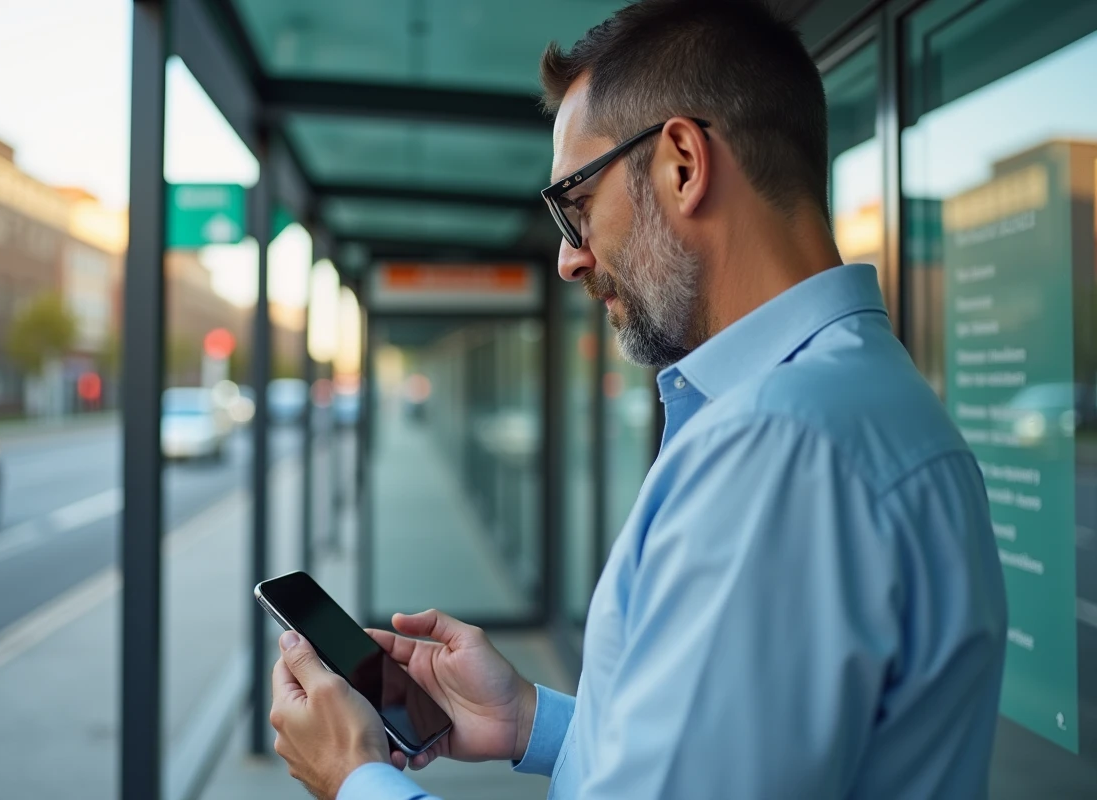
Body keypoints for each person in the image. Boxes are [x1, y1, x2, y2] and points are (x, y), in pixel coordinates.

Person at [267, 1, 1008, 797]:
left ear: (683, 163)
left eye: (575, 204)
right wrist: (531, 722)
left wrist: (358, 779)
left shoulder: (777, 447)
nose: (568, 260)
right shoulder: (863, 397)